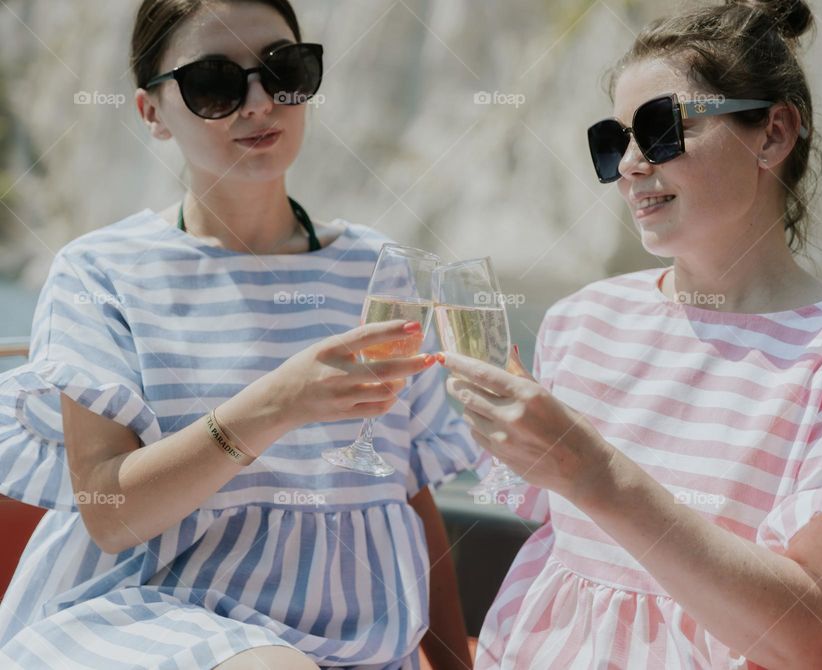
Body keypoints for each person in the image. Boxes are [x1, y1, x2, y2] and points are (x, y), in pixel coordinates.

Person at [440, 0, 822, 667]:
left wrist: (593, 472)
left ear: (772, 135)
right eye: (612, 140)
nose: (628, 164)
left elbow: (813, 634)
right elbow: (555, 561)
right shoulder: (582, 323)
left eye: (659, 129)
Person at [0, 1, 476, 668]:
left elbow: (409, 490)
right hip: (146, 612)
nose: (258, 103)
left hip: (353, 636)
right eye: (214, 84)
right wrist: (278, 402)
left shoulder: (378, 270)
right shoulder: (100, 272)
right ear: (151, 114)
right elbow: (109, 512)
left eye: (283, 70)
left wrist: (456, 663)